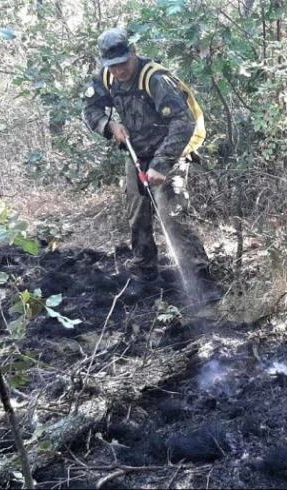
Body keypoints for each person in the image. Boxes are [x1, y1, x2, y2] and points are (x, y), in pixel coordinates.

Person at [82, 27, 219, 302]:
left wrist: (161, 164)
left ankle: (202, 281)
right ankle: (147, 277)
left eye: (123, 63)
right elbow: (89, 108)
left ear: (134, 52)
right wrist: (108, 125)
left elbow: (184, 123)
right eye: (113, 65)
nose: (119, 71)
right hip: (136, 153)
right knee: (138, 215)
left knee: (172, 215)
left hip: (170, 153)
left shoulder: (156, 79)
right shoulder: (107, 78)